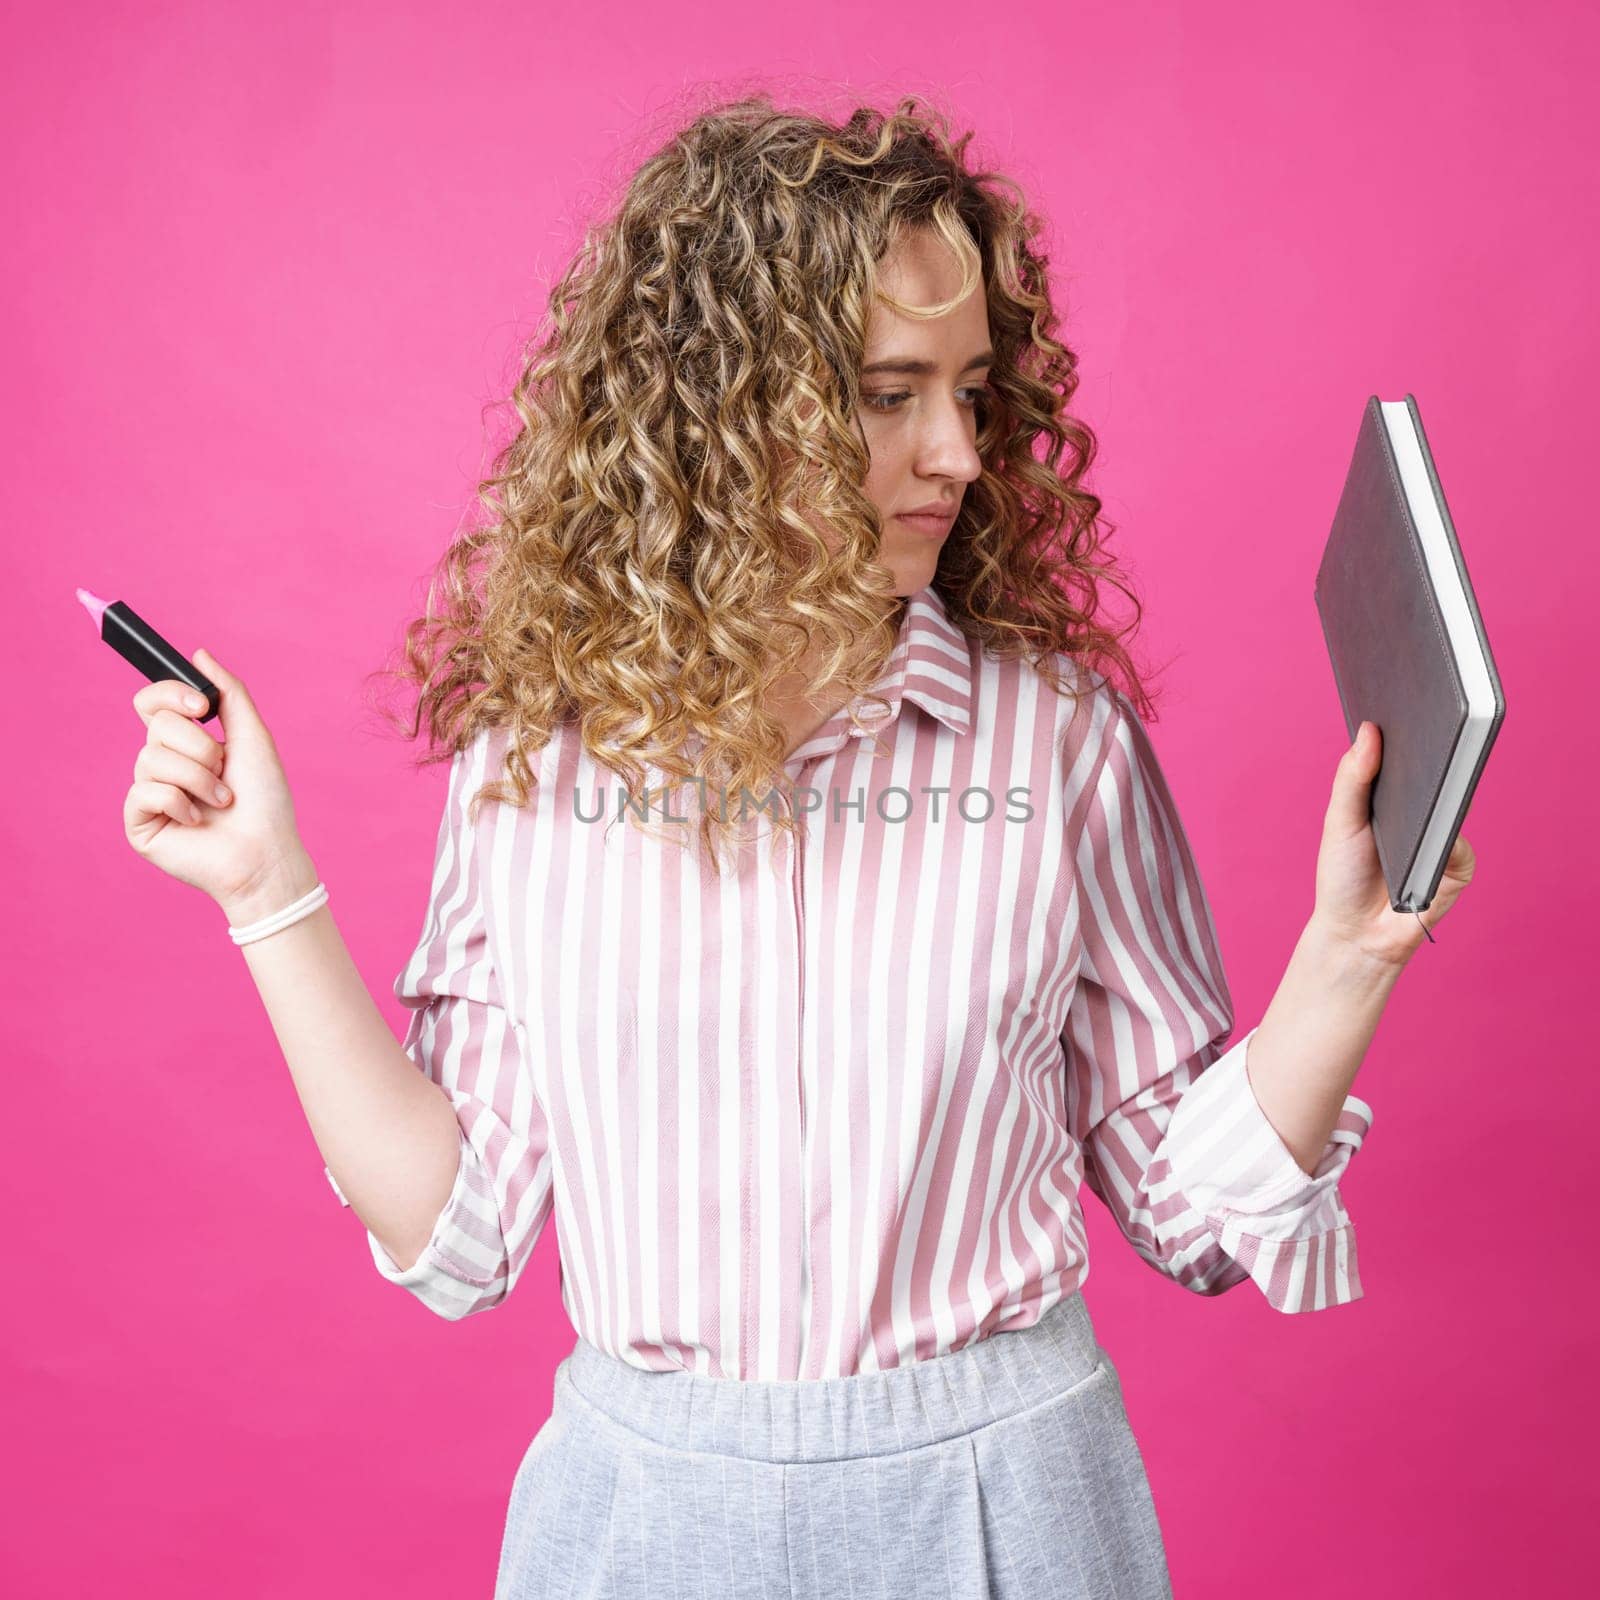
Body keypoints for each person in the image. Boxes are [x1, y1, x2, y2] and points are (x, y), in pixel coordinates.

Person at [123, 93, 1476, 1600]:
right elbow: (463, 1230)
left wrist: (1348, 955)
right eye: (892, 392)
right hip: (640, 1520)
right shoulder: (534, 761)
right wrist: (268, 891)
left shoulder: (1059, 743)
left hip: (1007, 1507)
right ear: (723, 411)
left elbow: (1189, 1214)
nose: (958, 450)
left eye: (972, 388)